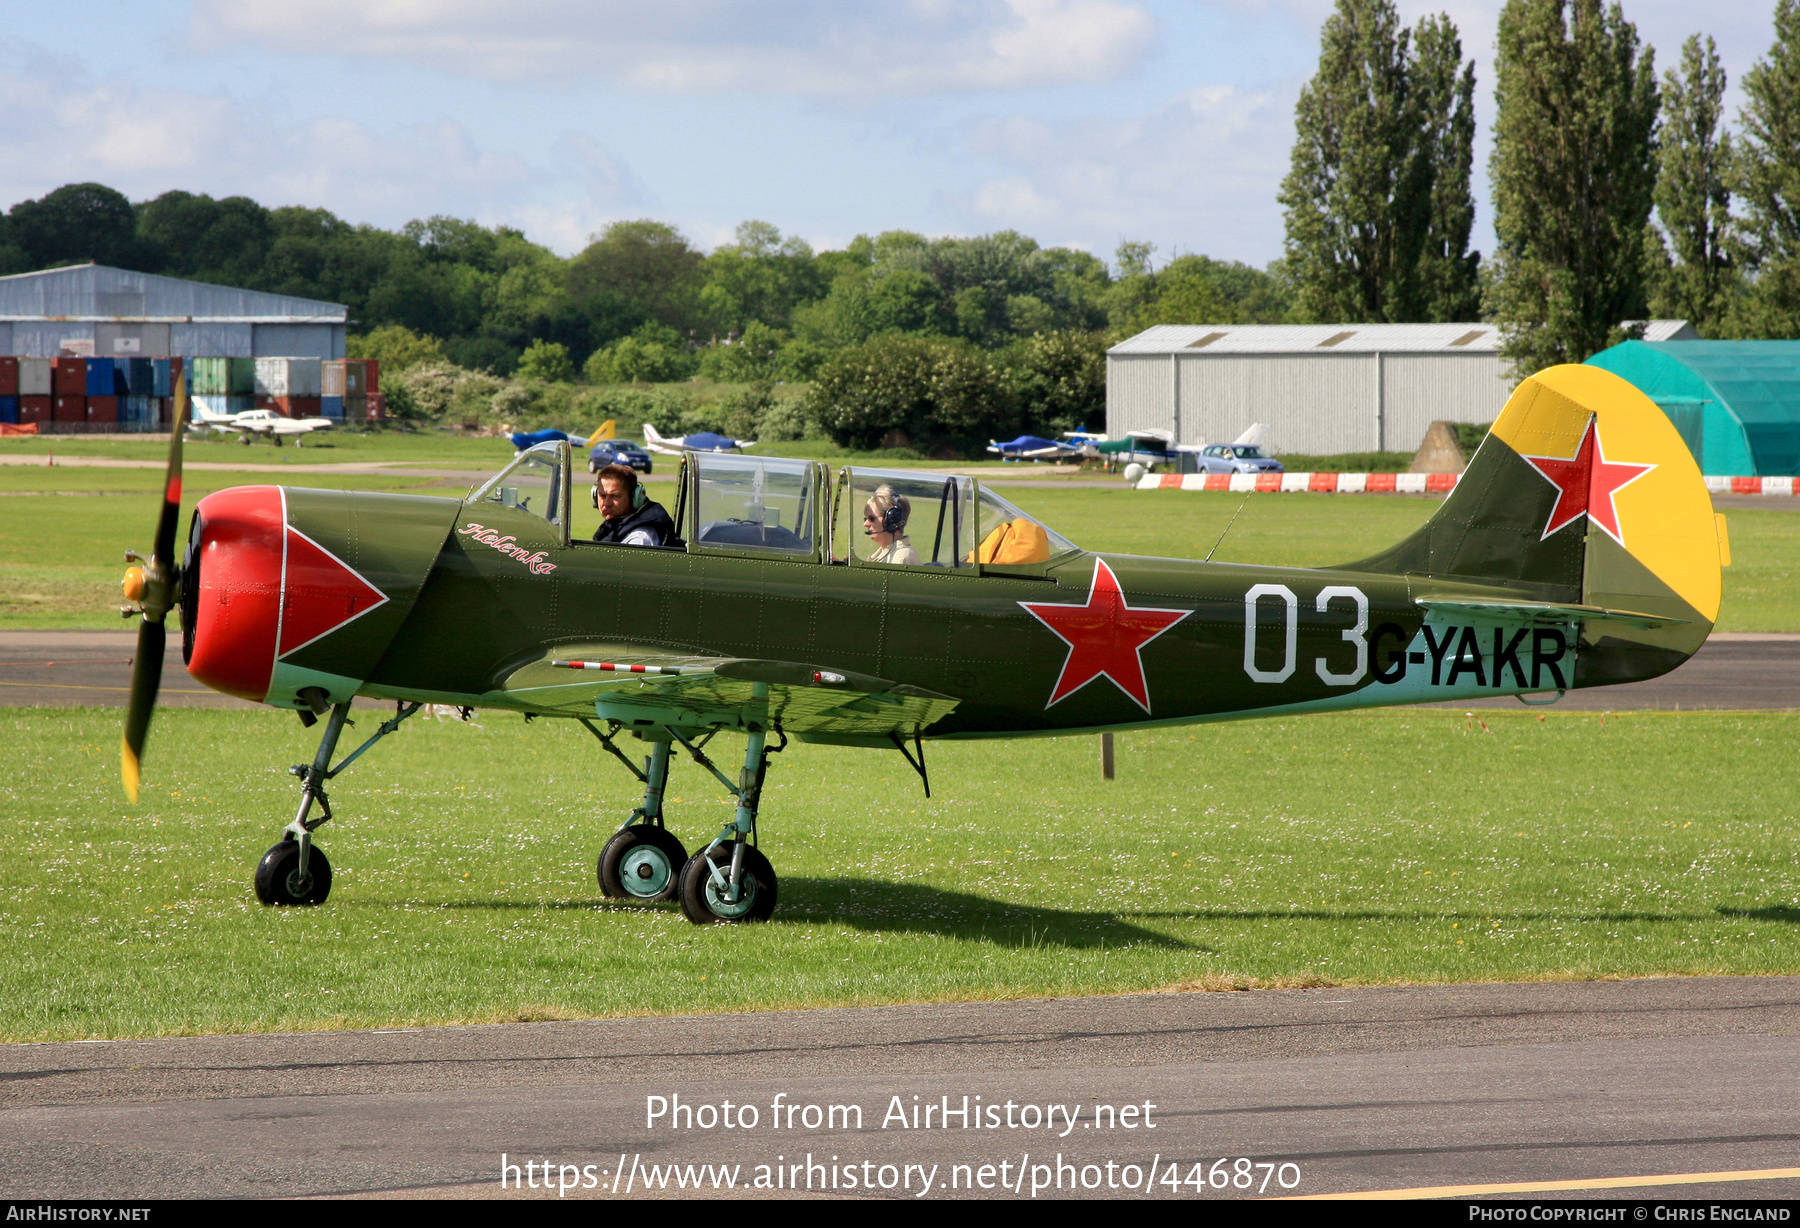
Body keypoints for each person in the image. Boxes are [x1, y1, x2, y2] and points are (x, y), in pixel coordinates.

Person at [593, 463, 675, 546]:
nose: (607, 503)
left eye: (615, 496)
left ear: (634, 497)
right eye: (602, 495)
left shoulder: (640, 538)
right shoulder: (615, 527)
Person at [862, 485, 919, 564]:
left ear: (892, 520)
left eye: (871, 518)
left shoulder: (901, 559)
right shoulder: (886, 553)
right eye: (865, 519)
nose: (865, 524)